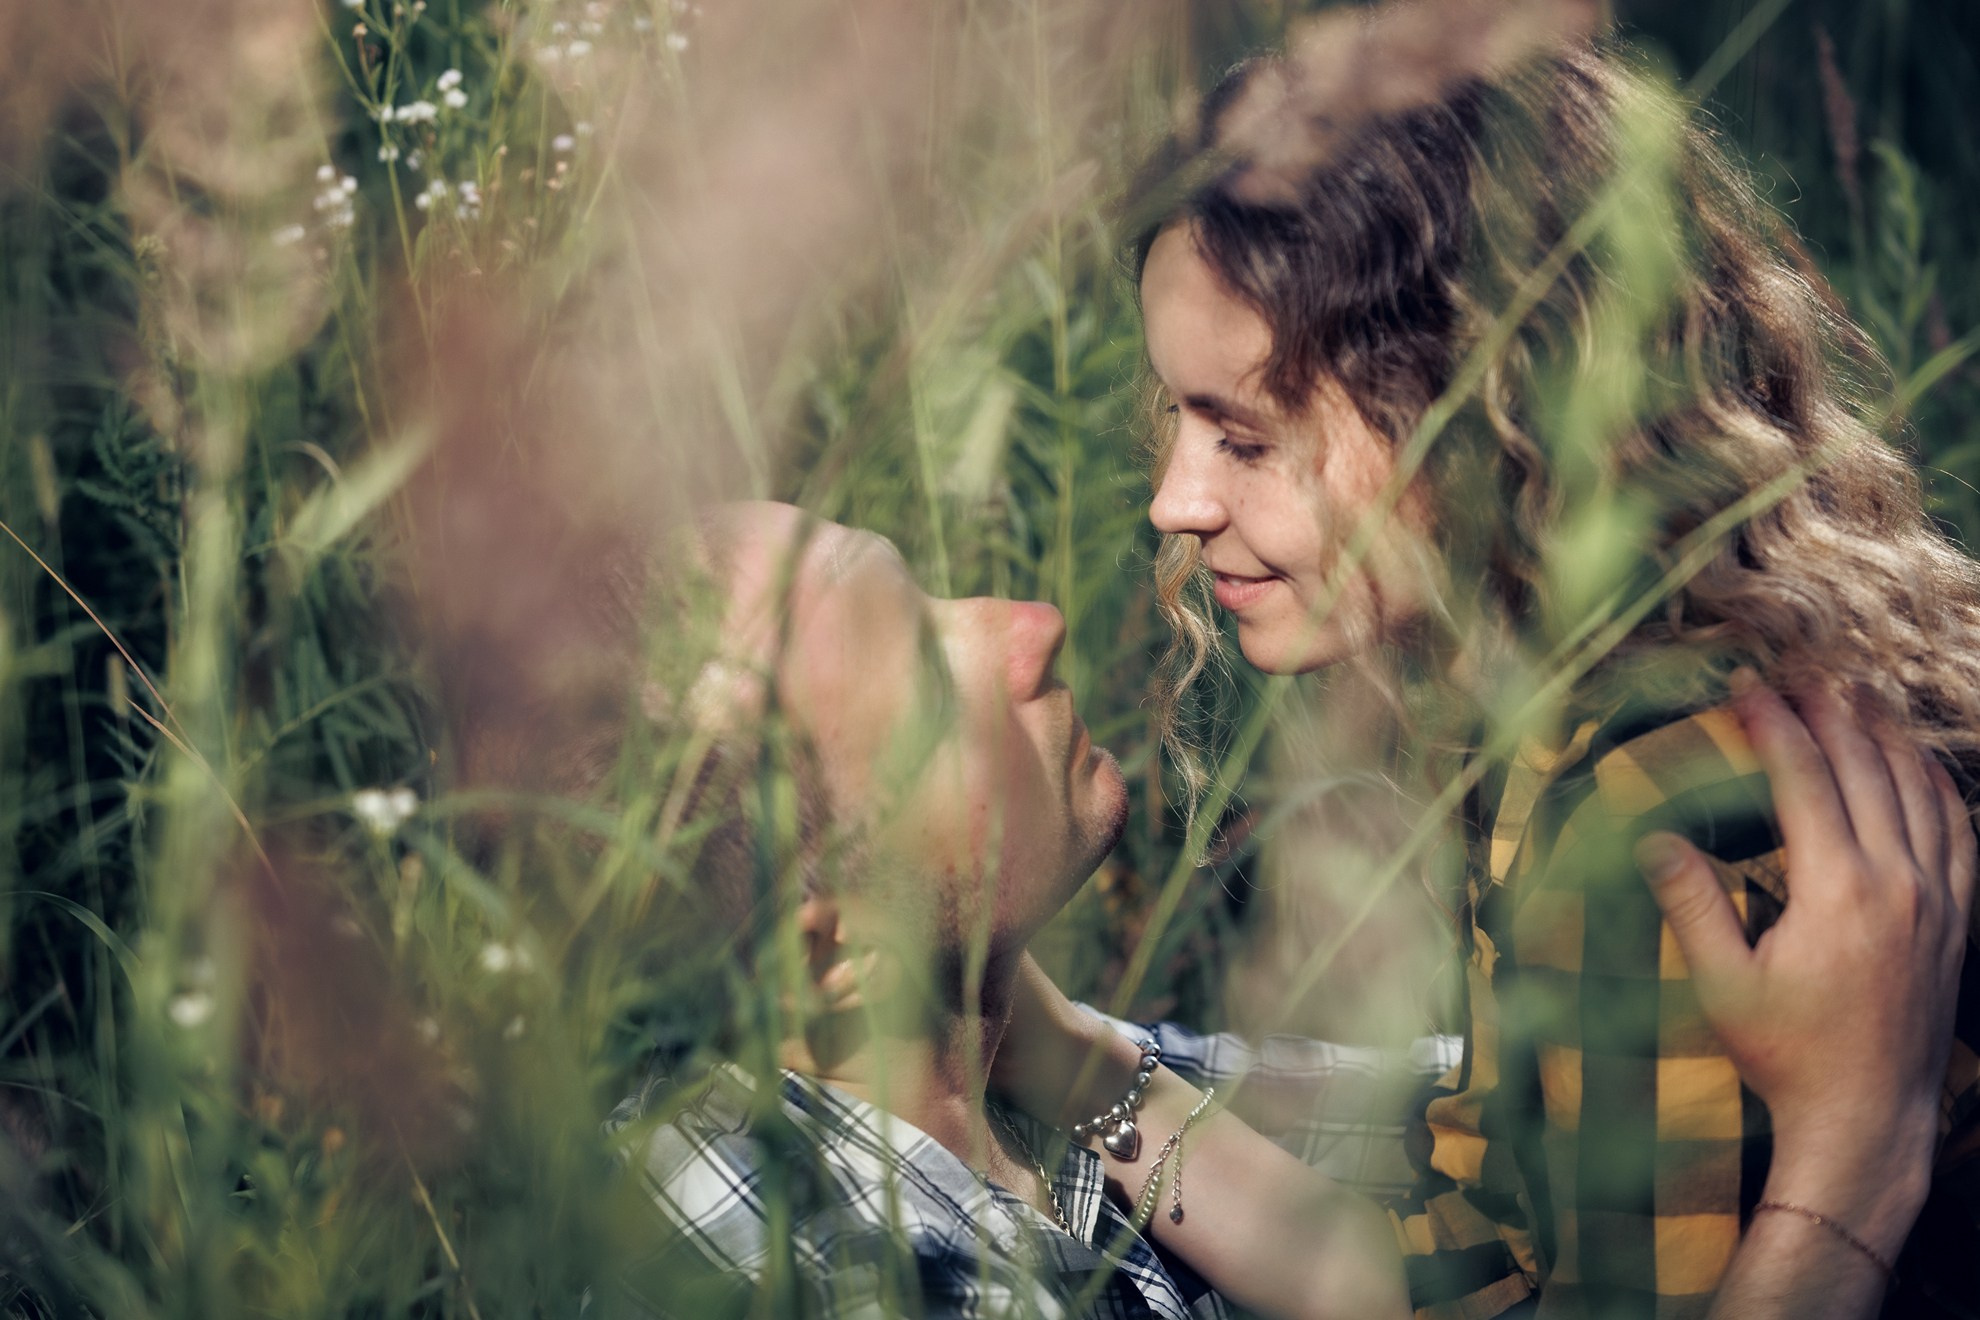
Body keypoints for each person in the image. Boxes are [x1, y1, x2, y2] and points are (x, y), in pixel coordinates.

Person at [999, 27, 1980, 1320]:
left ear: (1471, 407)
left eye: (1243, 436)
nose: (1175, 502)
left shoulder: (1637, 804)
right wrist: (1056, 1056)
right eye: (1178, 418)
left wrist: (1857, 1165)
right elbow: (1489, 1250)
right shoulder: (1567, 698)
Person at [603, 501, 1408, 1319]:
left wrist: (1081, 1065)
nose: (1035, 626)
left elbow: (1470, 1136)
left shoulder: (998, 1069)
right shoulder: (808, 1278)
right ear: (835, 958)